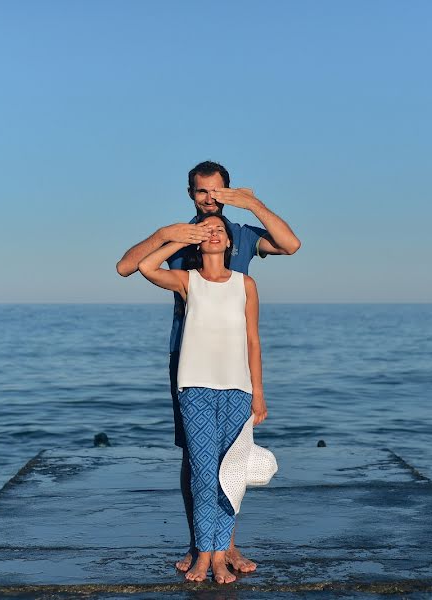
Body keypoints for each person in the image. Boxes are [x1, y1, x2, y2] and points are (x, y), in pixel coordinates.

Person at [116, 161, 300, 573]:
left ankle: (225, 547)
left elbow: (290, 245)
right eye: (202, 192)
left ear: (228, 193)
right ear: (190, 194)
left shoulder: (242, 235)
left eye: (218, 192)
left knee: (230, 455)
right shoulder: (183, 238)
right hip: (187, 359)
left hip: (233, 366)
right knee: (195, 456)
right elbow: (129, 267)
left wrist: (252, 204)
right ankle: (200, 543)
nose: (210, 199)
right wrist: (165, 235)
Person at [137, 213, 266, 583]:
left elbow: (253, 342)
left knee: (231, 477)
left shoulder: (246, 284)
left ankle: (222, 554)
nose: (214, 234)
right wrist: (179, 237)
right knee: (203, 474)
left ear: (229, 243)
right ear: (199, 240)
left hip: (238, 390)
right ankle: (204, 554)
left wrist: (258, 393)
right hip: (194, 389)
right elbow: (146, 266)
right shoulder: (186, 281)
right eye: (207, 230)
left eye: (220, 230)